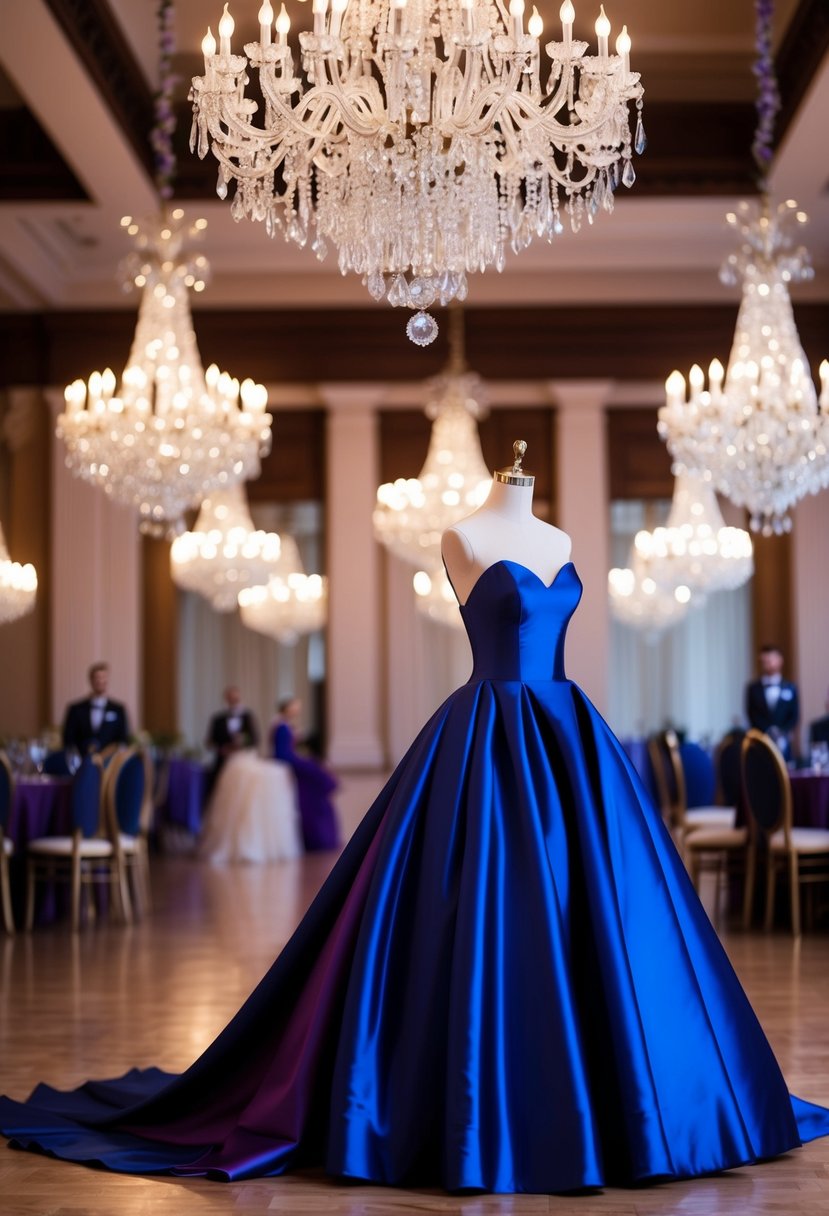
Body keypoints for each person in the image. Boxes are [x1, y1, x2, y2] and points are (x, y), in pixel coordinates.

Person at [3, 441, 829, 1192]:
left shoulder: (561, 542)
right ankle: (484, 1115)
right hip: (483, 733)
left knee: (612, 917)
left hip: (572, 736)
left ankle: (634, 1102)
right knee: (467, 907)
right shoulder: (463, 537)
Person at [271, 697, 340, 851]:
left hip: (292, 758)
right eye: (294, 706)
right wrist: (301, 760)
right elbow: (282, 754)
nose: (297, 709)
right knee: (314, 770)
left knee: (315, 768)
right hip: (287, 761)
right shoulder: (281, 726)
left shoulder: (285, 725)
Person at [745, 644, 800, 761]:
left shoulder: (790, 687)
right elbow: (751, 714)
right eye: (765, 661)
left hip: (784, 744)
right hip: (761, 744)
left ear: (780, 661)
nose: (768, 663)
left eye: (771, 659)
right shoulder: (753, 688)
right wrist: (768, 732)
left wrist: (781, 732)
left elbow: (794, 715)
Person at [61, 661, 129, 755]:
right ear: (91, 680)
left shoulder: (118, 709)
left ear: (107, 680)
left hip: (109, 763)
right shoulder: (75, 709)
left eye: (103, 677)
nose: (100, 681)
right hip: (82, 762)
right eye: (97, 677)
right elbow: (68, 740)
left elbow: (123, 741)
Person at [204, 686, 259, 795]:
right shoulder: (217, 718)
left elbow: (254, 739)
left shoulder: (247, 717)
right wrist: (222, 748)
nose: (233, 701)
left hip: (242, 760)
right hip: (223, 761)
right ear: (226, 699)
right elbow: (210, 741)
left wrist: (241, 744)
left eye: (236, 699)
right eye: (230, 698)